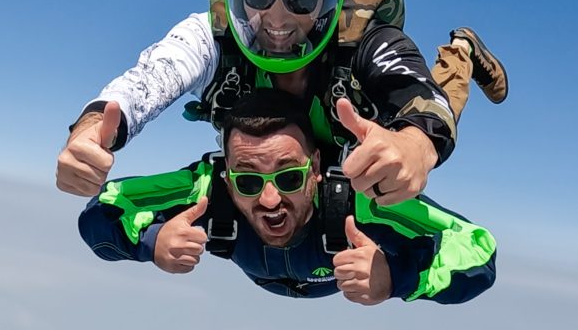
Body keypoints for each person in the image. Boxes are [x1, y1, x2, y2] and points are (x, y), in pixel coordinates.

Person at [57, 0, 508, 207]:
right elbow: (147, 80)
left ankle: (463, 50)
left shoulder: (370, 40)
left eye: (300, 1)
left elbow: (420, 96)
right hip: (308, 150)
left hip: (356, 122)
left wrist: (414, 146)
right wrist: (92, 132)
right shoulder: (211, 36)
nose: (276, 18)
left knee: (445, 95)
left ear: (328, 1)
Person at [78, 90, 497, 305]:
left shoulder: (355, 202)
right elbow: (102, 210)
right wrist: (152, 245)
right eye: (247, 182)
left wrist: (398, 276)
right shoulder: (208, 192)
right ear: (226, 175)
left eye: (291, 177)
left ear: (316, 168)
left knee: (435, 108)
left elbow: (478, 251)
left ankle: (458, 52)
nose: (270, 199)